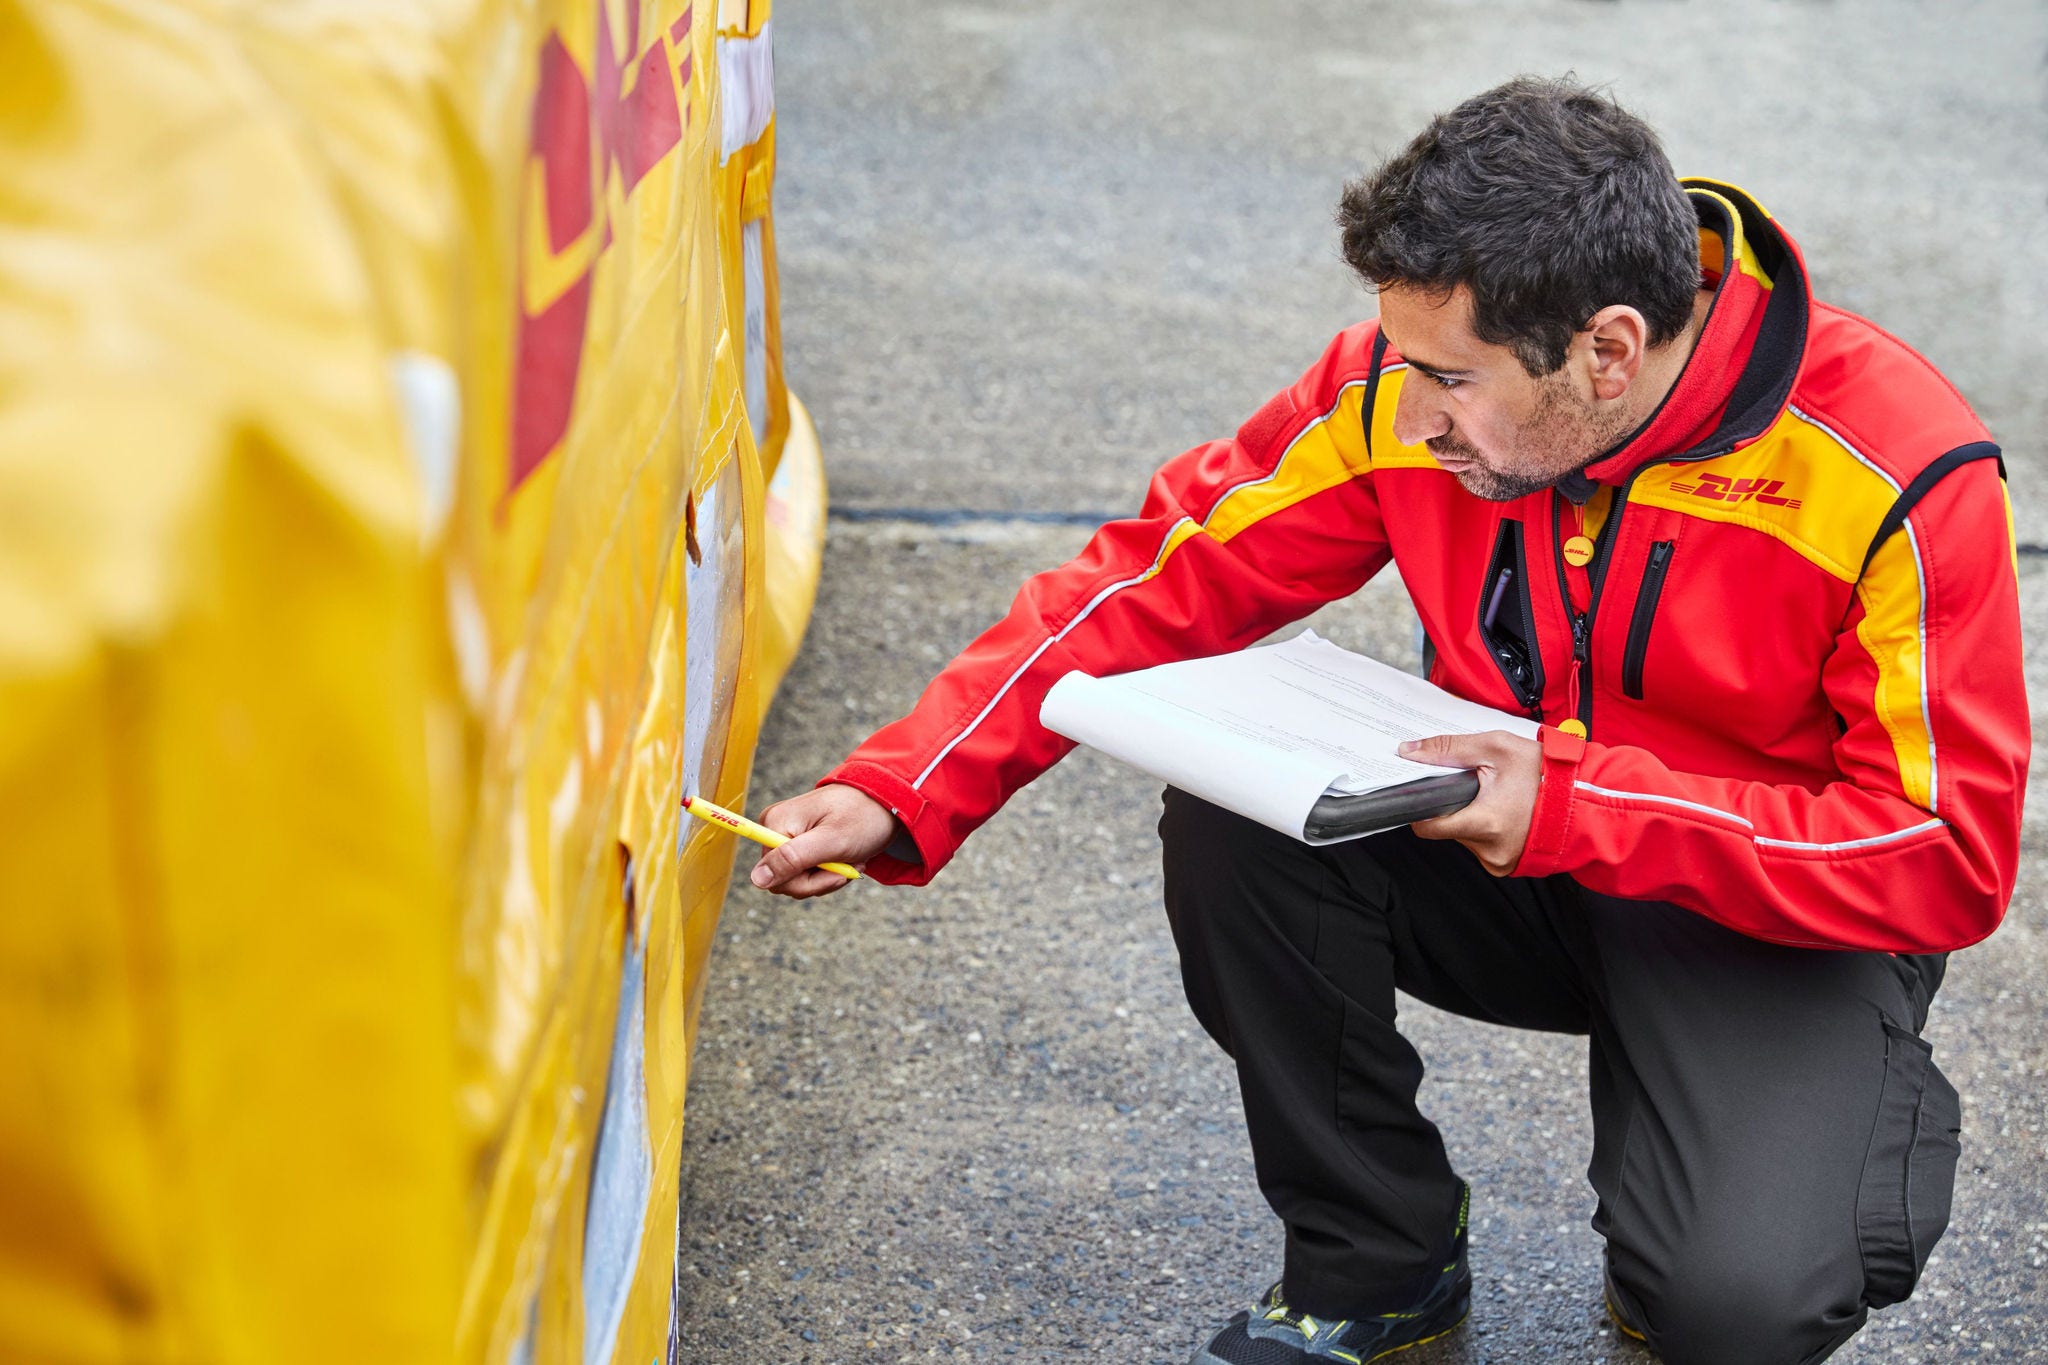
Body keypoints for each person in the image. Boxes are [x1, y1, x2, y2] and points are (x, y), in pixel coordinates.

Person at [747, 77, 2029, 1365]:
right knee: (1234, 821)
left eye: (1451, 380)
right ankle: (1377, 1263)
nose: (1414, 417)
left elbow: (1947, 855)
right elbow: (1157, 580)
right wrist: (906, 785)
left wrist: (1576, 805)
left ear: (1609, 350)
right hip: (1505, 849)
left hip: (1764, 914)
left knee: (1731, 1305)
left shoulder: (1890, 466)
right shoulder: (1408, 394)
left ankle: (1712, 1193)